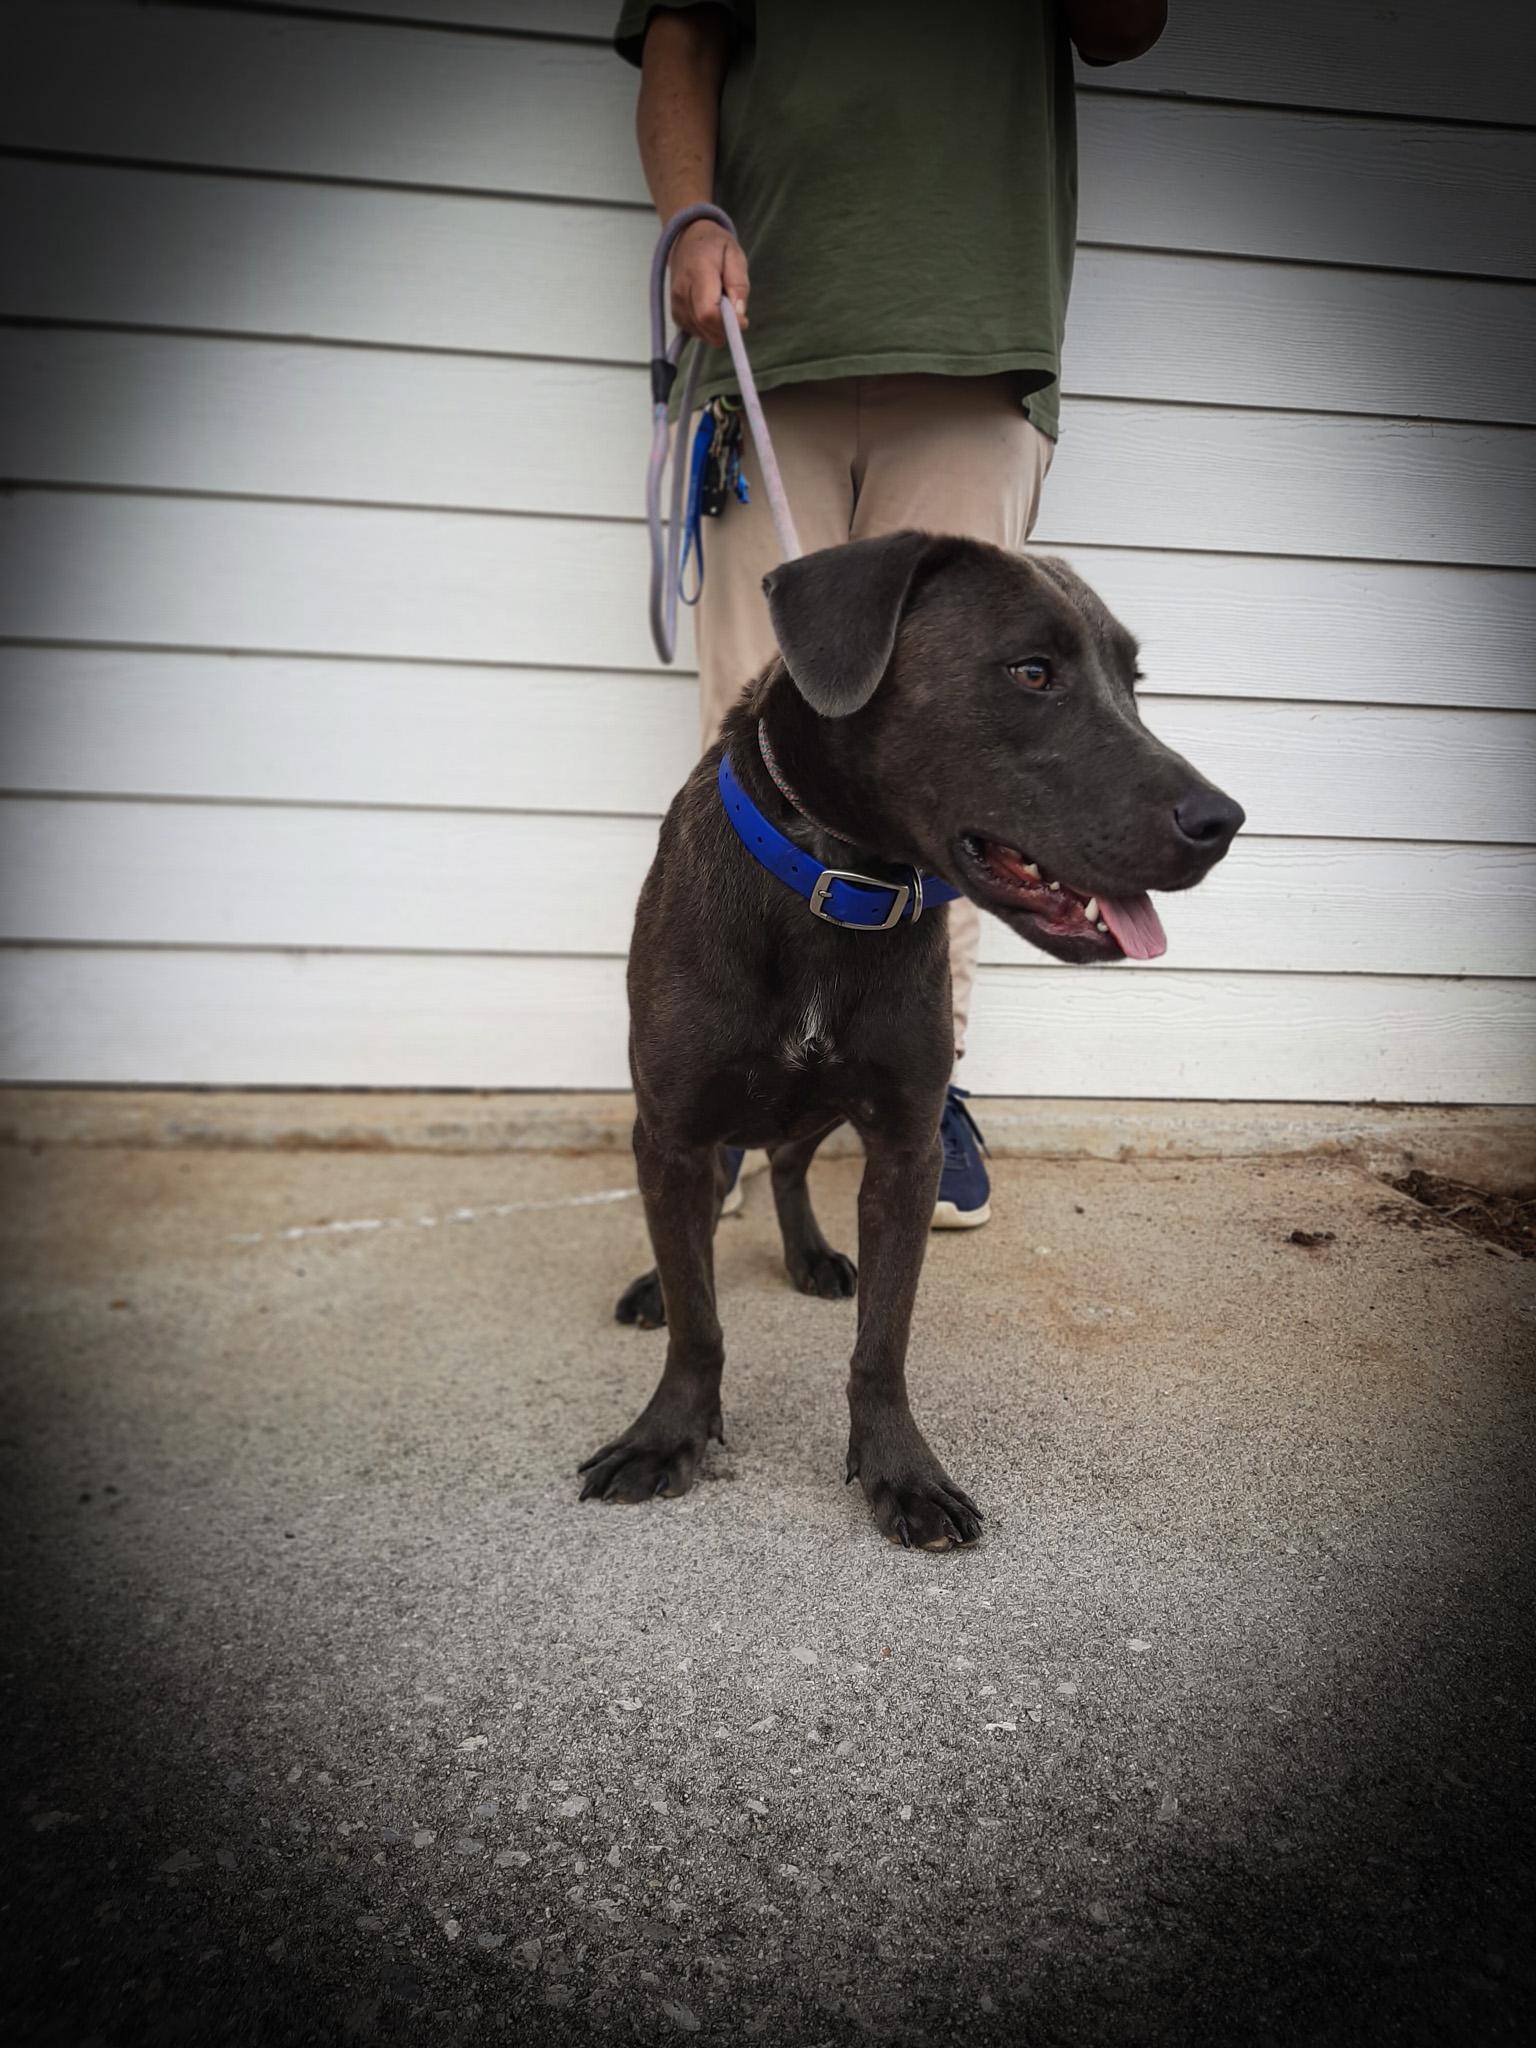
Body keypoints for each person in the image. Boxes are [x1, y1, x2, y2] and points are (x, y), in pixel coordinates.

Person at [614, 0, 1169, 1227]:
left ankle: (916, 1089)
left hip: (972, 340)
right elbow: (682, 37)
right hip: (766, 335)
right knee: (756, 727)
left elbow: (1127, 25)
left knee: (964, 762)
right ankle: (727, 1091)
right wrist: (683, 219)